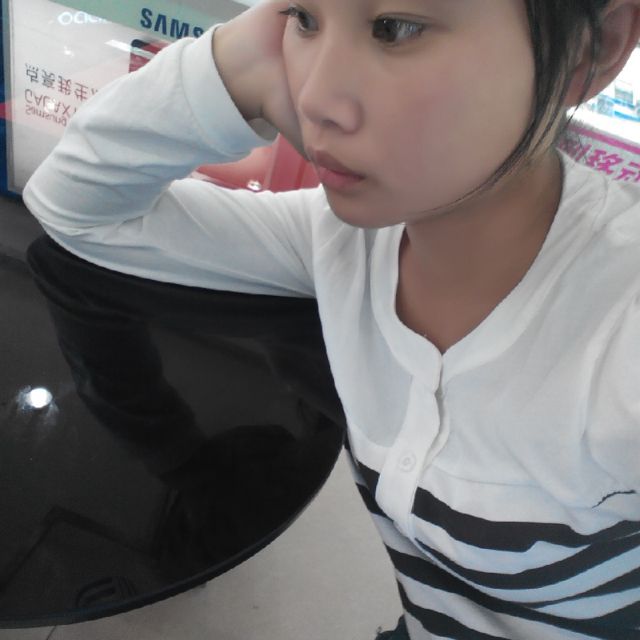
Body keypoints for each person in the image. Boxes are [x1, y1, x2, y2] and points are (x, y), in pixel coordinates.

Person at [22, 0, 640, 637]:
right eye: (302, 18)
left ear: (591, 47)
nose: (312, 97)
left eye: (394, 28)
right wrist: (230, 67)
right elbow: (76, 210)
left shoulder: (621, 330)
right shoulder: (345, 243)